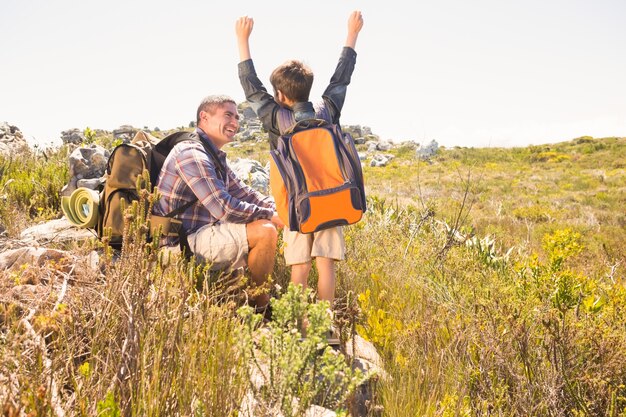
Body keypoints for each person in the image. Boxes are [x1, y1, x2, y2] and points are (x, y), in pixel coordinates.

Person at [235, 11, 364, 309]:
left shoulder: (275, 118)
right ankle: (326, 327)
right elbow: (342, 77)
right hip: (333, 197)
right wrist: (352, 34)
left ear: (279, 94)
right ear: (308, 88)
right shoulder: (328, 110)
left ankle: (300, 326)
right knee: (326, 265)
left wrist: (243, 41)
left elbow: (251, 87)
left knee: (300, 267)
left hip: (295, 204)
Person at [152, 95, 284, 309]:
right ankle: (261, 307)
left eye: (237, 117)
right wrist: (271, 216)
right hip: (179, 247)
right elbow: (223, 207)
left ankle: (250, 294)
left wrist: (282, 210)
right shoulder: (191, 153)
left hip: (199, 236)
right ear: (204, 117)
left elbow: (244, 192)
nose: (235, 123)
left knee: (269, 223)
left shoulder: (212, 155)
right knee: (265, 230)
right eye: (228, 115)